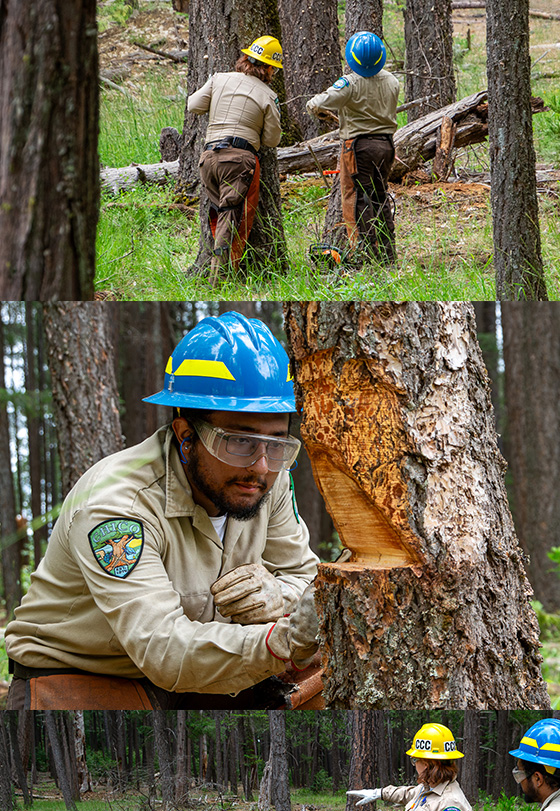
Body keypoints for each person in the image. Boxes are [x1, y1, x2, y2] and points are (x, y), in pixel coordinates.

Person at [5, 311, 320, 711]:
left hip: (205, 668)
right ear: (186, 436)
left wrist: (281, 596)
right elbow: (163, 647)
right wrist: (283, 640)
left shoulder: (265, 480)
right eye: (239, 443)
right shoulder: (117, 507)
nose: (260, 467)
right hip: (86, 674)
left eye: (276, 445)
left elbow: (304, 577)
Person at [187, 36, 283, 283]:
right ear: (269, 68)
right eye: (274, 68)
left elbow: (194, 105)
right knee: (230, 217)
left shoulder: (219, 79)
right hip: (239, 160)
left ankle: (218, 270)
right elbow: (272, 140)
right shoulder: (268, 95)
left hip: (208, 158)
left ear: (246, 58)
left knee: (219, 212)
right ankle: (218, 279)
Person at [307, 31, 400, 264]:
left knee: (357, 199)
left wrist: (320, 112)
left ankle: (364, 256)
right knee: (379, 198)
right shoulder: (392, 81)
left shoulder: (349, 83)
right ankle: (388, 254)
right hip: (386, 146)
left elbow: (315, 104)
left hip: (358, 148)